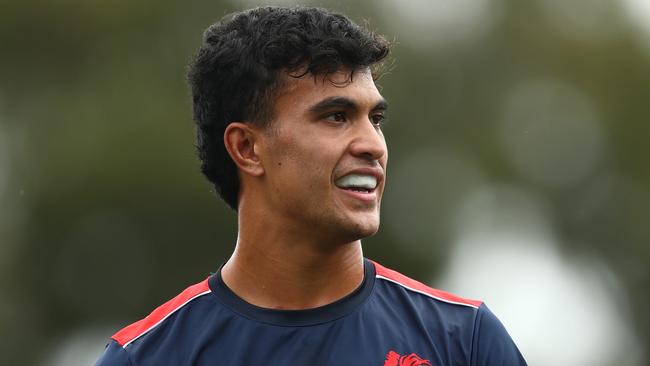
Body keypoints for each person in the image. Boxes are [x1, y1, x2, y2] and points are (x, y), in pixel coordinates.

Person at [96, 6, 526, 366]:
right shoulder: (147, 357)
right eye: (336, 117)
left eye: (375, 119)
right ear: (246, 147)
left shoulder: (464, 342)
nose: (373, 145)